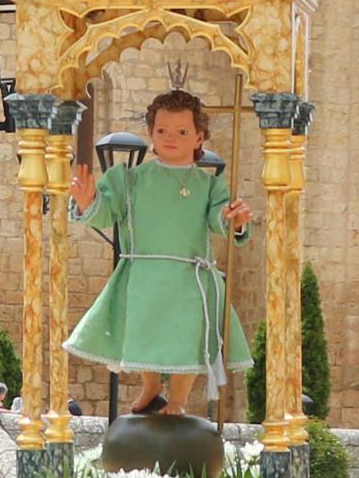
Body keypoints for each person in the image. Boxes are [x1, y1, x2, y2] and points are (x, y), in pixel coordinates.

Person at [63, 88, 255, 416]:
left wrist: (233, 220)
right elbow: (107, 210)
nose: (170, 138)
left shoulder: (209, 185)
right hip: (145, 273)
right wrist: (89, 202)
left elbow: (218, 217)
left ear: (199, 137)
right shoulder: (130, 179)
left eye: (182, 132)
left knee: (189, 337)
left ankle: (178, 399)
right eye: (162, 130)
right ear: (151, 132)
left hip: (189, 278)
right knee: (145, 327)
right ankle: (150, 385)